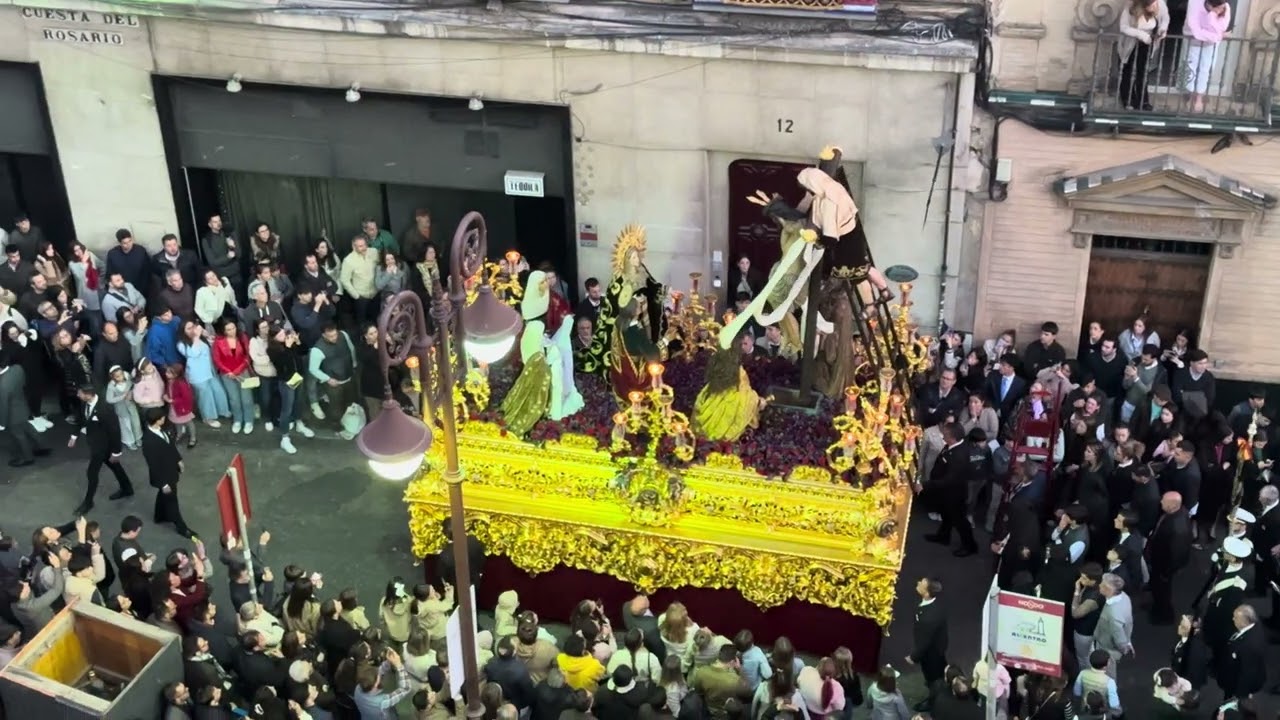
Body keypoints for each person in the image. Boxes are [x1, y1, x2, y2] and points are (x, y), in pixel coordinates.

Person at [70, 384, 134, 515]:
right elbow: (81, 419)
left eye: (80, 393)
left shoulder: (105, 409)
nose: (78, 395)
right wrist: (74, 436)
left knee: (92, 473)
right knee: (115, 466)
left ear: (88, 395)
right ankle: (127, 488)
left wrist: (116, 452)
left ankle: (88, 502)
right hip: (96, 443)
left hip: (104, 446)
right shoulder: (84, 404)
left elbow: (115, 431)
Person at [924, 423, 977, 557]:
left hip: (955, 494)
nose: (943, 436)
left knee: (960, 521)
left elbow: (949, 480)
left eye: (945, 434)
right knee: (946, 516)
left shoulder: (959, 455)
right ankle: (943, 537)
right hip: (946, 493)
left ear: (953, 438)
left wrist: (926, 485)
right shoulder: (953, 446)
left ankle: (970, 546)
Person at [141, 406, 194, 539]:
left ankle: (159, 516)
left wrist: (178, 460)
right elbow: (153, 465)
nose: (164, 419)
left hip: (171, 469)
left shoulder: (162, 430)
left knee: (164, 496)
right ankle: (182, 528)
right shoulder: (148, 442)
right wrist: (163, 484)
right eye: (162, 418)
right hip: (164, 476)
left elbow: (170, 446)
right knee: (172, 501)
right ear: (157, 421)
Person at [904, 577, 946, 712]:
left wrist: (913, 657)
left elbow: (925, 642)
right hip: (938, 647)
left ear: (927, 593)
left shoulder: (928, 618)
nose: (917, 583)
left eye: (921, 584)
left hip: (931, 654)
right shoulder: (933, 606)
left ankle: (933, 701)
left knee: (933, 677)